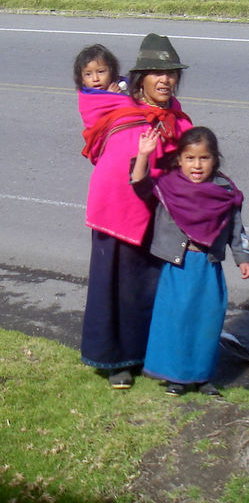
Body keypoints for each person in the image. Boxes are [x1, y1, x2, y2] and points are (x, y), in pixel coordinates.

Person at [77, 34, 193, 389]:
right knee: (118, 286)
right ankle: (116, 360)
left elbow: (191, 161)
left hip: (158, 215)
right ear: (140, 77)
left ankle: (150, 354)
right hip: (118, 213)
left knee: (152, 286)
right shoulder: (122, 109)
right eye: (157, 73)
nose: (165, 81)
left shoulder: (176, 117)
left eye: (171, 74)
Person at [130, 126, 249, 396]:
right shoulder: (169, 186)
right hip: (178, 267)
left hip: (208, 267)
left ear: (215, 159)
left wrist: (242, 258)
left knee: (207, 321)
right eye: (190, 158)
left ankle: (202, 376)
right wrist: (143, 155)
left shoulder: (225, 191)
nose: (197, 165)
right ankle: (176, 376)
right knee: (176, 320)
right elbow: (139, 185)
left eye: (204, 158)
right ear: (180, 160)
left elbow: (237, 228)